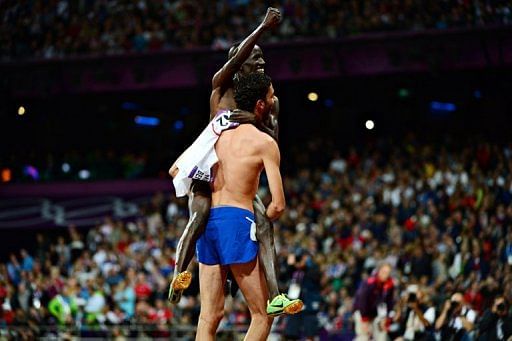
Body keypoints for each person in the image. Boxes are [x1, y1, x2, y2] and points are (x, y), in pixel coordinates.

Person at [168, 7, 302, 316]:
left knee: (265, 224)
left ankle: (276, 295)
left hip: (238, 181)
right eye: (254, 57)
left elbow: (272, 142)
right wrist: (263, 27)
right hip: (208, 173)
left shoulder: (265, 100)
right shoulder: (221, 91)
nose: (261, 61)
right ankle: (179, 274)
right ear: (240, 63)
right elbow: (233, 62)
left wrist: (254, 119)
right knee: (199, 216)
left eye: (262, 56)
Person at [195, 72, 289, 340]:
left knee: (208, 316)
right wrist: (265, 221)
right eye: (271, 95)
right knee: (263, 314)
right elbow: (278, 205)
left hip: (208, 223)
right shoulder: (264, 142)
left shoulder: (216, 134)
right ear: (260, 104)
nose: (274, 100)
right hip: (238, 221)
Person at [353, 263, 395, 341]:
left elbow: (388, 302)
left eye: (388, 273)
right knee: (363, 336)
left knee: (381, 335)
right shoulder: (370, 282)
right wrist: (365, 319)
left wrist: (385, 318)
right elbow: (362, 300)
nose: (385, 275)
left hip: (376, 314)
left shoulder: (389, 285)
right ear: (379, 271)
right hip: (362, 313)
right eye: (383, 272)